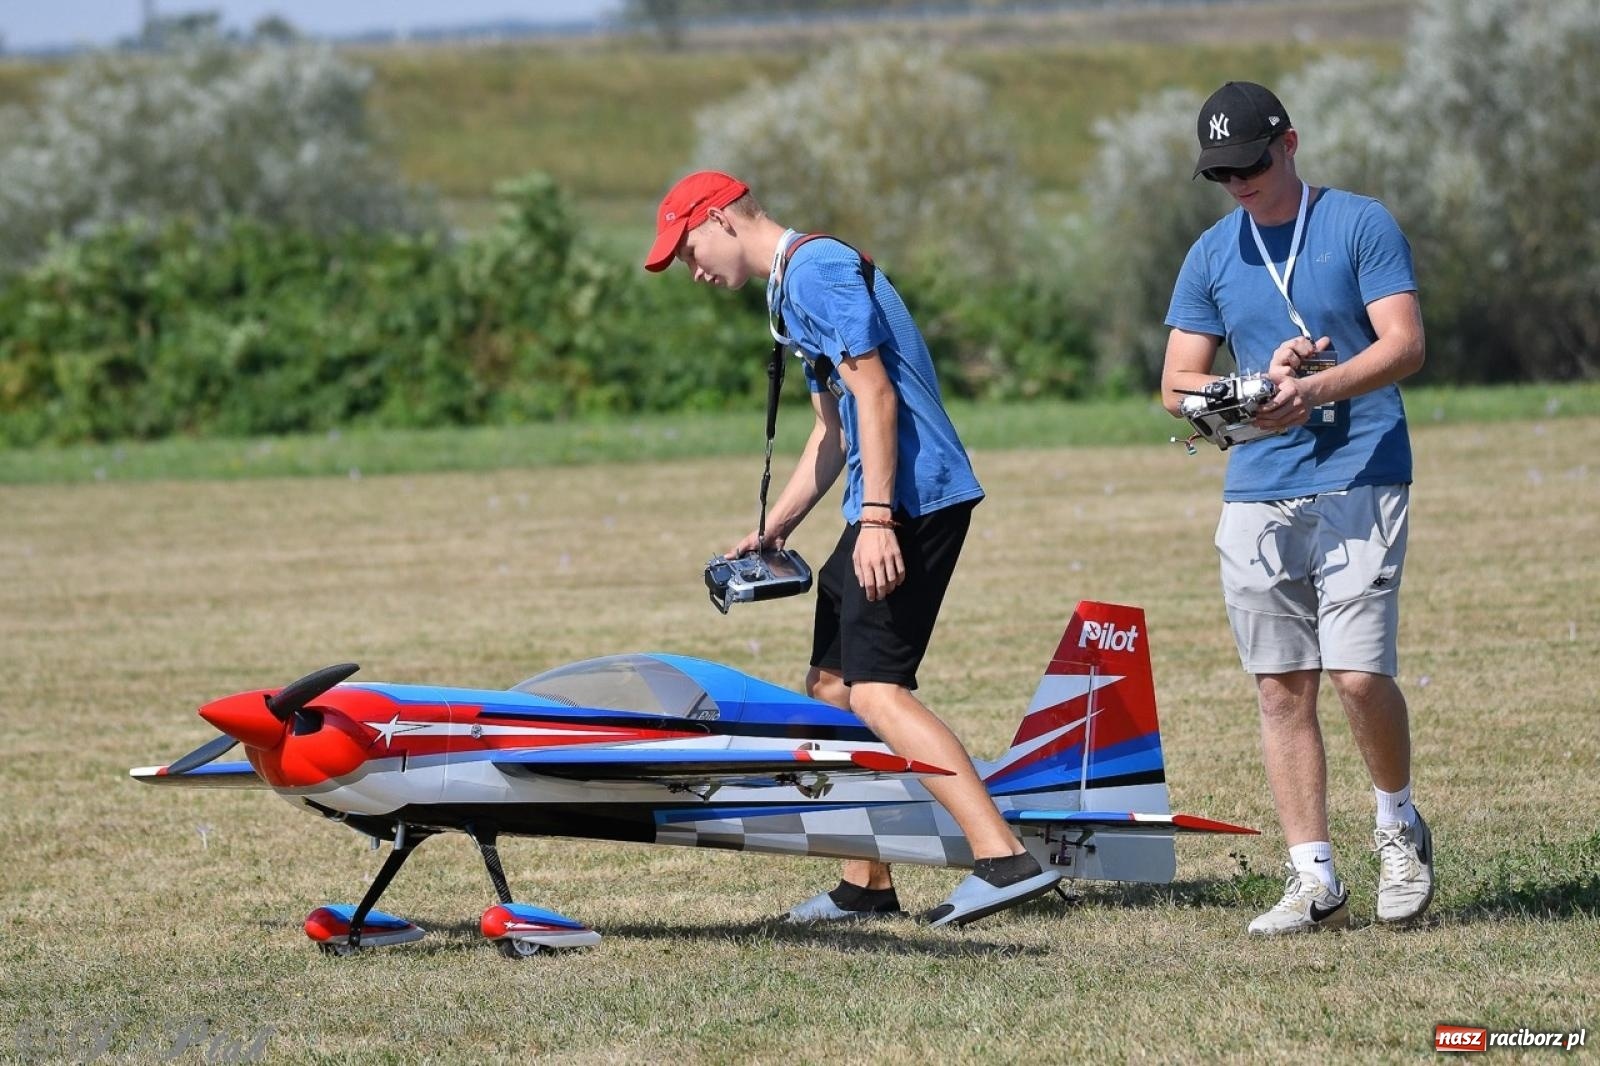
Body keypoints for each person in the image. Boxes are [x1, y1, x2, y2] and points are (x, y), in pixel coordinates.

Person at [644, 170, 1061, 927]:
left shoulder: (817, 271)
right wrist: (778, 527)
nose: (691, 268)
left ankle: (1004, 860)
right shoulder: (790, 289)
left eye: (688, 247)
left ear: (722, 219)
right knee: (831, 685)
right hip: (885, 499)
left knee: (875, 690)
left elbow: (876, 395)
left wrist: (875, 521)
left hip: (914, 498)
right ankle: (865, 883)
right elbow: (831, 431)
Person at [1161, 82, 1433, 935]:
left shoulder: (1359, 223)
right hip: (1256, 485)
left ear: (1289, 144)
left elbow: (1405, 345)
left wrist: (1313, 389)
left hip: (1363, 471)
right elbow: (1175, 387)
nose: (1236, 181)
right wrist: (1249, 390)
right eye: (1219, 171)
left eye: (1248, 162)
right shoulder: (1211, 252)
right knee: (1281, 688)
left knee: (1357, 674)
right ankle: (1313, 878)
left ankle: (1398, 824)